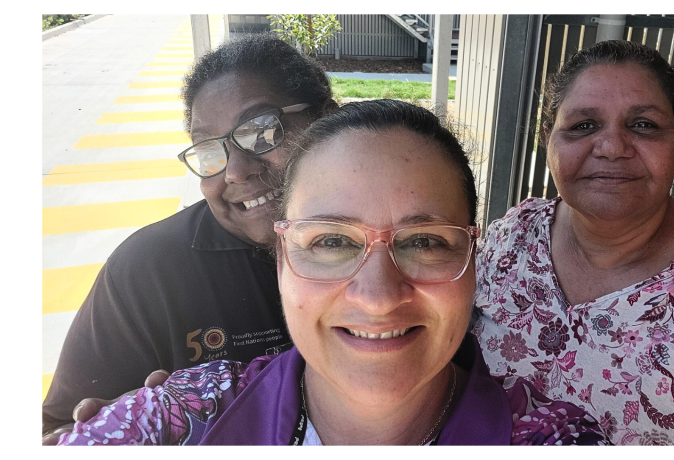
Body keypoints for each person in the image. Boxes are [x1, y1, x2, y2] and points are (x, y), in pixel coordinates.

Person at [58, 100, 610, 446]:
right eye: (330, 241)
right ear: (281, 259)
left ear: (473, 260)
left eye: (424, 241)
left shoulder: (555, 438)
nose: (378, 296)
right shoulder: (182, 419)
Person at [42, 33, 337, 442]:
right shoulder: (147, 272)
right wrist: (126, 428)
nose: (235, 171)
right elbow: (55, 429)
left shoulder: (396, 238)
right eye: (210, 150)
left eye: (262, 131)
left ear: (326, 122)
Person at [472, 40, 674, 445]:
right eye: (583, 125)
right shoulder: (514, 236)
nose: (612, 148)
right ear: (548, 138)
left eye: (643, 125)